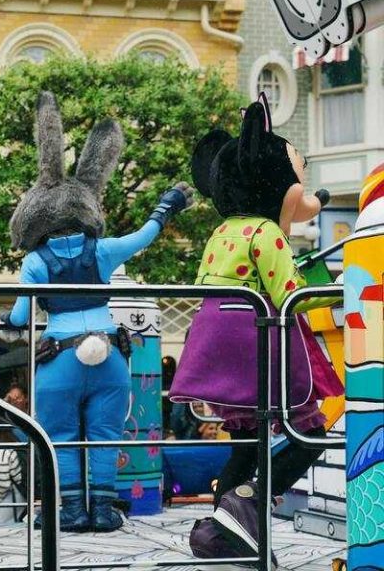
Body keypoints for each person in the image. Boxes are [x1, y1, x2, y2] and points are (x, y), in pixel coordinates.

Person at [5, 92, 192, 533]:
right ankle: (104, 510)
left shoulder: (35, 262)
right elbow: (144, 235)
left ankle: (71, 511)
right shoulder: (103, 251)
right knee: (105, 435)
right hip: (111, 353)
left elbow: (16, 317)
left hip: (60, 356)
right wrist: (166, 206)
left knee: (63, 435)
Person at [171, 94, 343, 563]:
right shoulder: (266, 233)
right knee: (312, 435)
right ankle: (248, 499)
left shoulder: (223, 230)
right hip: (257, 341)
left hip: (215, 345)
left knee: (245, 445)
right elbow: (291, 293)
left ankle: (220, 531)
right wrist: (343, 288)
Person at [0, 424, 25, 524]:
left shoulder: (1, 451)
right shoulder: (11, 441)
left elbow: (4, 484)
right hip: (20, 491)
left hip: (13, 493)